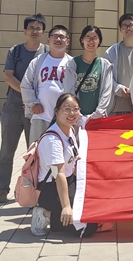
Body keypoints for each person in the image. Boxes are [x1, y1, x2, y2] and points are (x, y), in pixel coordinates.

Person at [0, 13, 47, 204]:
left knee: (35, 153)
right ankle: (2, 190)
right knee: (6, 151)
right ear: (25, 31)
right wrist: (27, 96)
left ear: (43, 32)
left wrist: (32, 101)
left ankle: (33, 191)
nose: (34, 31)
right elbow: (8, 76)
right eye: (31, 28)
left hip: (37, 110)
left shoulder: (47, 52)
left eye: (38, 28)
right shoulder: (15, 51)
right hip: (14, 108)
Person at [30, 93, 98, 237]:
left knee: (93, 209)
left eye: (75, 109)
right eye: (67, 109)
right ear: (56, 111)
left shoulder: (70, 130)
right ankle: (44, 214)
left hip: (69, 182)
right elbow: (58, 174)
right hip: (51, 189)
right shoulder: (52, 140)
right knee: (88, 226)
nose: (72, 113)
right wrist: (66, 207)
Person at [21, 25, 72, 144]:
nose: (58, 39)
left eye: (62, 37)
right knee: (37, 149)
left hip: (64, 117)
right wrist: (32, 103)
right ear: (48, 40)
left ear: (67, 41)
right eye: (55, 36)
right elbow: (26, 84)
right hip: (41, 115)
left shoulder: (72, 63)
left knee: (63, 149)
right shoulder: (38, 61)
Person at [64, 26, 113, 124]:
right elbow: (69, 91)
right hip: (75, 119)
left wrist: (97, 114)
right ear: (82, 40)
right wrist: (78, 116)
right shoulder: (72, 63)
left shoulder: (105, 65)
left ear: (99, 41)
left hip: (98, 119)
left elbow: (106, 92)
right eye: (88, 38)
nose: (91, 41)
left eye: (95, 38)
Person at [104, 13, 133, 115]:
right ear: (120, 29)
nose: (128, 28)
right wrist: (118, 89)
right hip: (116, 107)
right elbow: (106, 78)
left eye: (131, 25)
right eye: (124, 25)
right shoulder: (111, 52)